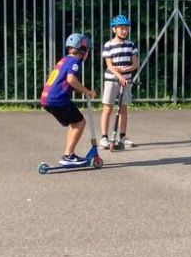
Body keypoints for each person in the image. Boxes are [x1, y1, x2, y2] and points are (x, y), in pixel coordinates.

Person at [40, 33, 98, 165]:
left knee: (75, 123)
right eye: (88, 50)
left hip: (47, 99)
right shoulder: (75, 61)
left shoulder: (64, 60)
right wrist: (86, 91)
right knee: (80, 123)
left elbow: (64, 81)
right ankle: (68, 156)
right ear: (83, 50)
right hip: (57, 99)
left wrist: (82, 91)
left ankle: (68, 154)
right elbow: (71, 79)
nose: (88, 54)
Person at [99, 14, 139, 149]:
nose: (124, 31)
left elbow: (135, 64)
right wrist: (119, 74)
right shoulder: (108, 45)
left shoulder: (130, 45)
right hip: (111, 80)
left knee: (123, 109)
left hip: (125, 81)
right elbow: (109, 65)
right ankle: (104, 137)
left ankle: (123, 137)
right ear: (114, 30)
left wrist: (124, 70)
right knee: (108, 107)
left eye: (126, 28)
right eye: (121, 28)